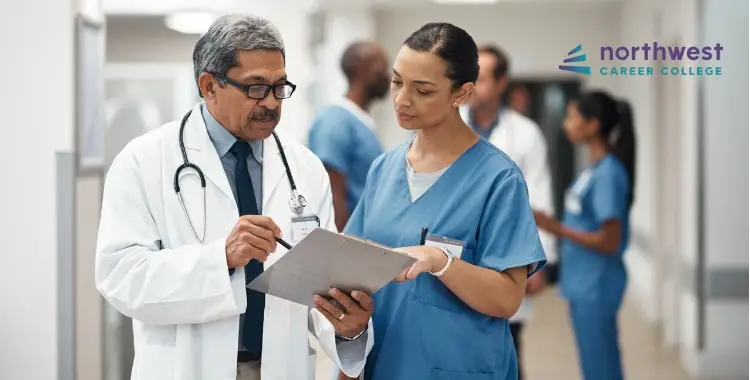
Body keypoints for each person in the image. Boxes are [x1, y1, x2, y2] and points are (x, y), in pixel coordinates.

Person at [94, 14, 374, 380]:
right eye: (256, 88)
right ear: (209, 86)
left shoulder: (304, 167)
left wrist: (348, 327)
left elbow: (315, 287)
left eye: (280, 87)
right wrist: (220, 259)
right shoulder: (144, 161)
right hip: (187, 369)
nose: (272, 103)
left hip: (281, 367)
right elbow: (120, 277)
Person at [336, 22, 547, 380]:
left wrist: (440, 261)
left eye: (423, 90)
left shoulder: (498, 178)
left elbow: (509, 297)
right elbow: (356, 255)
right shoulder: (383, 170)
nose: (402, 99)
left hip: (459, 367)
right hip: (385, 362)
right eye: (397, 81)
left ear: (461, 94)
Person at [461, 45, 556, 379]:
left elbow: (540, 199)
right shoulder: (448, 125)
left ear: (501, 83)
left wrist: (538, 261)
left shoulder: (526, 134)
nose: (473, 84)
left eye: (483, 77)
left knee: (508, 353)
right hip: (458, 256)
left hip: (507, 257)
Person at [533, 90, 636, 380]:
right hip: (584, 282)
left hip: (597, 284)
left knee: (600, 365)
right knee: (595, 362)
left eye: (572, 116)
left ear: (592, 125)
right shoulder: (592, 170)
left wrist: (555, 228)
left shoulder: (608, 174)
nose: (567, 123)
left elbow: (609, 240)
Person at [308, 41, 389, 231]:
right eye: (382, 67)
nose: (388, 75)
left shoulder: (362, 121)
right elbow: (332, 197)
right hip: (348, 242)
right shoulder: (335, 122)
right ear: (360, 70)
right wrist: (342, 251)